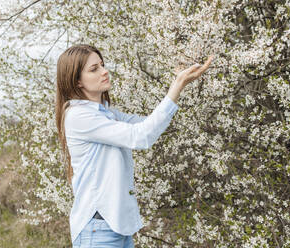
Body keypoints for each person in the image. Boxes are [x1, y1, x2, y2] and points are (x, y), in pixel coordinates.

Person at [55, 44, 213, 248]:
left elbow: (147, 124)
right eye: (94, 69)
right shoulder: (79, 116)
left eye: (102, 65)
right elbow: (141, 137)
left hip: (116, 227)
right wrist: (177, 86)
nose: (104, 71)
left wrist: (176, 81)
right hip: (97, 231)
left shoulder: (106, 112)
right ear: (77, 81)